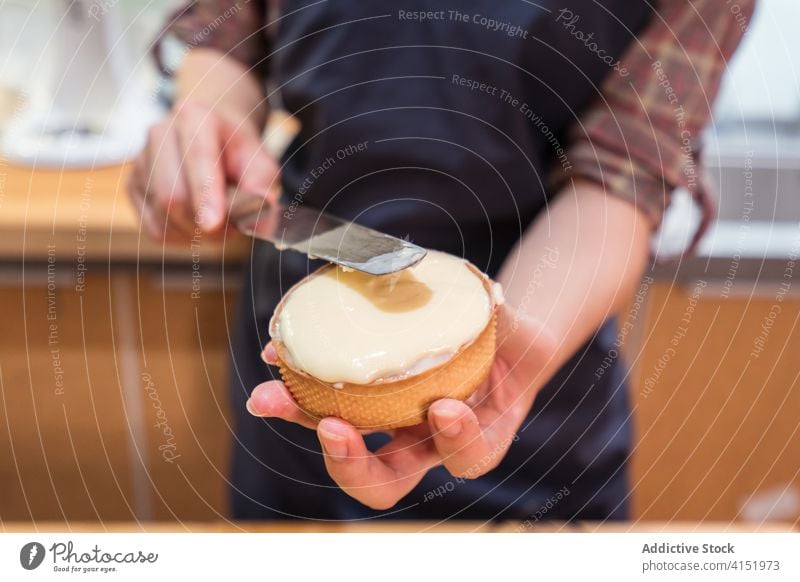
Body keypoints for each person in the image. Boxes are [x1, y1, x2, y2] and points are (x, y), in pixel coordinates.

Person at [129, 0, 753, 520]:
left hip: (534, 338)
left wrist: (509, 361)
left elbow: (627, 167)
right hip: (307, 344)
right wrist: (211, 119)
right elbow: (227, 27)